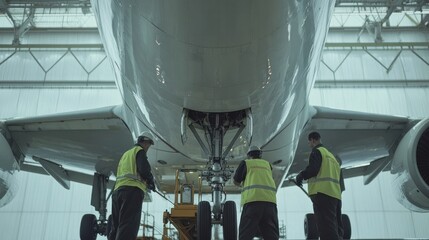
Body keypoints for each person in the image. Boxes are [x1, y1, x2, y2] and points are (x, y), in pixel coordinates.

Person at [108, 131, 156, 240]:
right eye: (149, 145)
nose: (148, 147)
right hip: (132, 192)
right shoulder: (140, 151)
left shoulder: (126, 154)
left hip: (117, 192)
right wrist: (151, 181)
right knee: (128, 224)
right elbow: (144, 169)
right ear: (145, 143)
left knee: (116, 225)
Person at [295, 131, 343, 240]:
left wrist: (301, 175)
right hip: (336, 196)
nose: (309, 144)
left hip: (322, 194)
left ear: (313, 140)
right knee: (336, 228)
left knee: (326, 228)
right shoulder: (331, 157)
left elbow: (313, 169)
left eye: (309, 142)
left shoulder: (317, 152)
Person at [233, 145, 279, 240]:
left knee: (245, 234)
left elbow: (236, 181)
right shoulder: (268, 165)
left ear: (249, 155)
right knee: (271, 235)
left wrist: (243, 185)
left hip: (253, 202)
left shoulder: (246, 163)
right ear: (260, 155)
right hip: (270, 203)